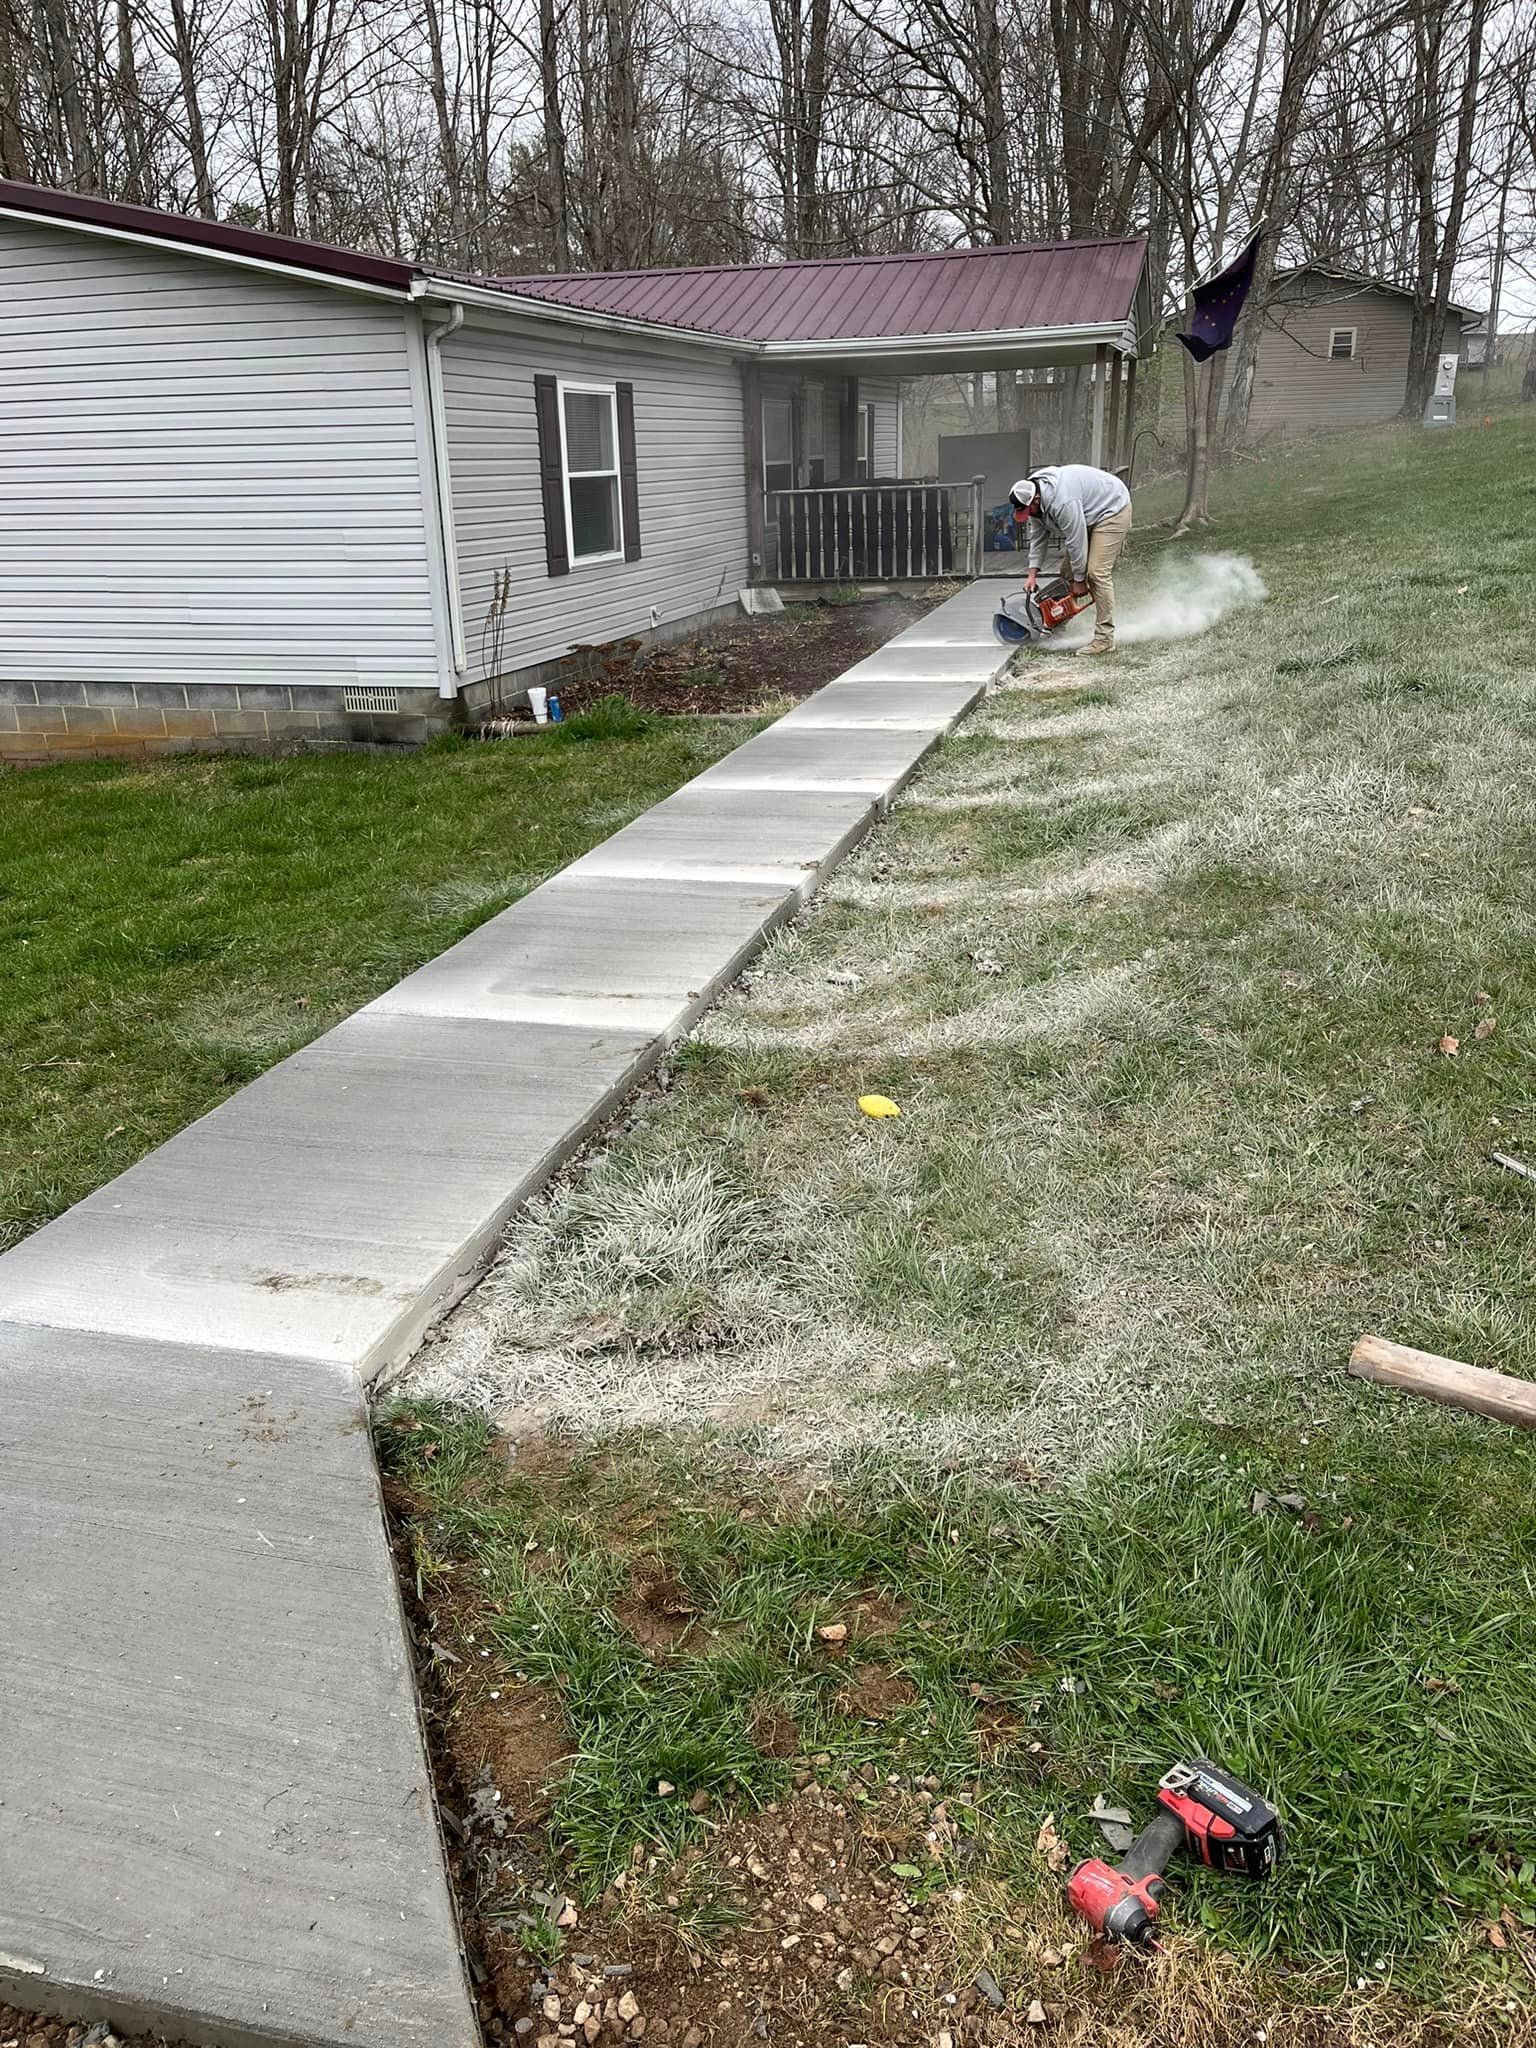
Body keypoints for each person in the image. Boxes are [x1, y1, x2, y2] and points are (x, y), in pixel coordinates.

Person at [1009, 464, 1132, 657]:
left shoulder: (1062, 501)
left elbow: (1076, 541)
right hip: (1087, 514)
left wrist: (1081, 580)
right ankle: (1057, 629)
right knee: (1067, 575)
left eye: (1028, 510)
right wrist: (1032, 574)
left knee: (1096, 573)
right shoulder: (1033, 501)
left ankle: (1104, 639)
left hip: (1112, 509)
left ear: (1037, 499)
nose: (1028, 514)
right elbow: (1038, 538)